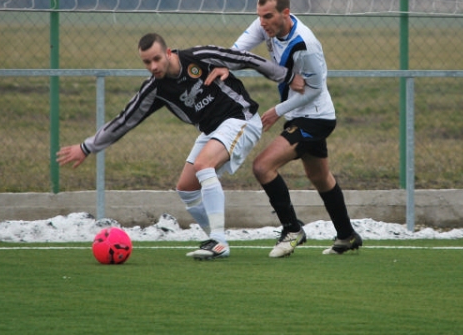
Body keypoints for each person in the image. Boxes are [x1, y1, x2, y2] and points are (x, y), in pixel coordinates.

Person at [56, 33, 301, 260]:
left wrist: (287, 77)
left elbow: (244, 58)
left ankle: (218, 242)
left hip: (241, 119)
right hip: (213, 131)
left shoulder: (199, 57)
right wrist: (87, 147)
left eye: (156, 59)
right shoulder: (155, 89)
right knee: (186, 188)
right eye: (146, 62)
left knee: (203, 165)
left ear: (169, 52)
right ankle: (215, 238)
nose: (153, 66)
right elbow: (124, 120)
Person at [207, 0, 362, 257]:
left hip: (314, 117)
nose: (262, 22)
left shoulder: (305, 44)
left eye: (268, 16)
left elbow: (315, 89)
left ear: (285, 13)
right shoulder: (265, 26)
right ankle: (347, 235)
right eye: (260, 16)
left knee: (262, 166)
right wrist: (224, 64)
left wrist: (277, 110)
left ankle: (292, 230)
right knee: (319, 176)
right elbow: (239, 50)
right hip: (302, 114)